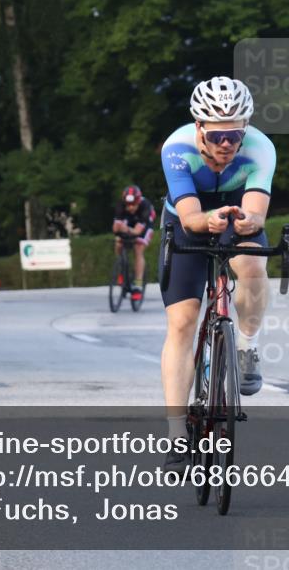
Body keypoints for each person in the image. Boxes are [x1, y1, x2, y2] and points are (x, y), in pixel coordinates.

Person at [158, 76, 276, 469]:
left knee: (254, 265)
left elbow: (257, 209)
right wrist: (206, 220)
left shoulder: (260, 148)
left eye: (235, 134)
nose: (227, 144)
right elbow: (191, 218)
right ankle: (177, 434)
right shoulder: (176, 149)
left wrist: (248, 222)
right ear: (199, 129)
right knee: (182, 320)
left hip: (235, 212)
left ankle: (246, 344)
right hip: (188, 217)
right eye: (218, 135)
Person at [112, 185, 156, 299]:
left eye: (133, 205)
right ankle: (121, 268)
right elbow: (115, 228)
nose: (130, 207)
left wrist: (124, 228)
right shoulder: (120, 205)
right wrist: (120, 228)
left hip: (145, 226)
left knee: (138, 248)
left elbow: (137, 231)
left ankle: (138, 284)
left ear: (138, 201)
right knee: (118, 242)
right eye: (128, 205)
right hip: (130, 223)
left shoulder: (145, 206)